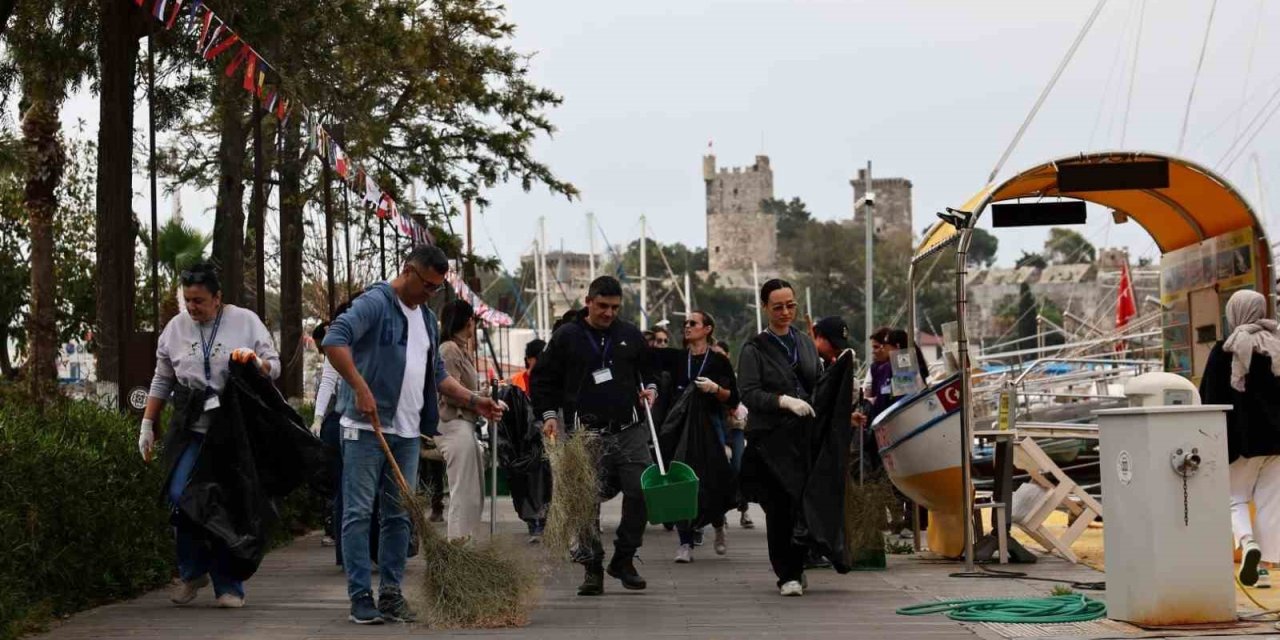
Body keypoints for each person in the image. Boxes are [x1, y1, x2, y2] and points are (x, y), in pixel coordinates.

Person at [322, 245, 505, 625]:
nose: (430, 294)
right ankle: (360, 596)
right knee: (357, 513)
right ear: (407, 271)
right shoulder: (376, 302)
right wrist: (359, 386)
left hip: (406, 431)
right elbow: (333, 340)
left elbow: (437, 375)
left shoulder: (423, 318)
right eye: (426, 285)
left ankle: (391, 593)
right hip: (364, 427)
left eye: (437, 288)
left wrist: (476, 400)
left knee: (399, 515)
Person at [138, 261, 280, 609]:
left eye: (199, 300)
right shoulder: (174, 329)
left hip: (233, 429)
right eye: (187, 299)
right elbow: (162, 378)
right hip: (190, 426)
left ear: (218, 298)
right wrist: (147, 423)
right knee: (181, 495)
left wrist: (254, 363)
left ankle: (228, 584)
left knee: (225, 504)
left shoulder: (245, 321)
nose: (192, 307)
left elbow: (273, 366)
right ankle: (192, 571)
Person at [531, 275, 658, 596]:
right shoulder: (567, 337)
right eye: (602, 306)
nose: (608, 313)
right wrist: (548, 416)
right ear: (588, 302)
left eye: (615, 307)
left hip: (629, 431)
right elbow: (543, 379)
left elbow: (651, 369)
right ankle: (592, 568)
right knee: (585, 503)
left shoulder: (629, 334)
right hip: (585, 435)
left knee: (642, 491)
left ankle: (624, 558)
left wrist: (652, 389)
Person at [738, 278, 821, 597]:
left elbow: (818, 381)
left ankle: (799, 564)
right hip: (770, 441)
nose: (786, 312)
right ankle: (786, 573)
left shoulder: (805, 342)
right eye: (778, 307)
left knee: (803, 504)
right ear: (765, 308)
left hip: (802, 439)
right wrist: (783, 401)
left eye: (791, 305)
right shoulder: (753, 348)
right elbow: (748, 393)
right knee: (779, 508)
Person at [1200, 290, 1280, 589]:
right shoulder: (1277, 345)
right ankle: (1263, 566)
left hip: (1242, 441)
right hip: (1277, 442)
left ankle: (1247, 545)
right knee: (1271, 502)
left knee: (1232, 496)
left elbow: (1209, 398)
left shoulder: (1225, 351)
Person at [672, 310, 740, 563]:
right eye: (685, 324)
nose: (687, 327)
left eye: (693, 323)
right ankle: (685, 542)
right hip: (682, 430)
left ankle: (719, 524)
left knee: (714, 481)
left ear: (707, 329)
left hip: (712, 428)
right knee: (680, 481)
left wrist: (715, 389)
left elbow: (733, 397)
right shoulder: (680, 359)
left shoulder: (719, 361)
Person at [437, 299, 487, 542]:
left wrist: (483, 398)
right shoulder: (449, 350)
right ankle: (457, 548)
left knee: (473, 494)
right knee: (462, 492)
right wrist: (479, 400)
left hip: (466, 424)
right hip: (453, 424)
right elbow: (450, 390)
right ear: (469, 322)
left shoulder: (459, 349)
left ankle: (466, 544)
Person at [714, 340, 753, 530]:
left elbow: (745, 401)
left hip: (735, 429)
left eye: (721, 354)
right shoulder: (708, 378)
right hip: (716, 428)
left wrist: (736, 407)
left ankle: (744, 509)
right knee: (720, 468)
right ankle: (720, 512)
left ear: (727, 356)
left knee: (739, 466)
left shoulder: (735, 378)